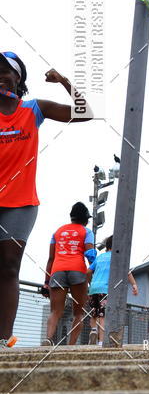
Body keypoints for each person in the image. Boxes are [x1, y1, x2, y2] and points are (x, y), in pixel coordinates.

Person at [0, 53, 93, 349]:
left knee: (9, 267)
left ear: (18, 79)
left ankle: (3, 340)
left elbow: (84, 112)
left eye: (6, 71)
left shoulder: (33, 109)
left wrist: (63, 81)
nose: (0, 75)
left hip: (20, 202)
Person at [44, 202, 95, 345]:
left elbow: (51, 258)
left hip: (57, 270)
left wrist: (46, 282)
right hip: (77, 271)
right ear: (85, 218)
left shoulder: (58, 232)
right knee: (78, 313)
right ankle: (70, 346)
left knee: (55, 312)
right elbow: (90, 254)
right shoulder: (87, 232)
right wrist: (94, 272)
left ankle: (47, 340)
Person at [87, 235, 138, 345]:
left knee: (94, 313)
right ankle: (101, 341)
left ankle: (93, 330)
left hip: (93, 289)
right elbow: (127, 272)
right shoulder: (117, 258)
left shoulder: (99, 257)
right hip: (105, 290)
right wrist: (134, 284)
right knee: (103, 316)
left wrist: (90, 283)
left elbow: (88, 272)